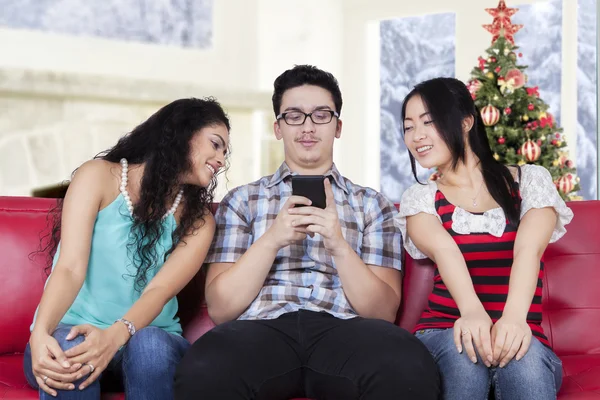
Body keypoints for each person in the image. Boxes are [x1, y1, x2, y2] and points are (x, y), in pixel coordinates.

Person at [174, 65, 439, 400]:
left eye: (321, 115)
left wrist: (338, 244)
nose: (308, 127)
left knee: (407, 366)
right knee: (203, 369)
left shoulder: (373, 205)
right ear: (278, 128)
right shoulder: (242, 200)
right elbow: (222, 309)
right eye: (294, 116)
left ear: (338, 126)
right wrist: (272, 239)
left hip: (347, 332)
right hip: (259, 331)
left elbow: (382, 313)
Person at [24, 97, 231, 399]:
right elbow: (69, 268)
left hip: (144, 344)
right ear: (182, 132)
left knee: (149, 345)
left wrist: (112, 338)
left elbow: (158, 291)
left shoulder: (199, 221)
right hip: (72, 333)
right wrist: (39, 334)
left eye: (225, 151)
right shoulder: (96, 176)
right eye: (216, 144)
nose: (221, 159)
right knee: (69, 348)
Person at [396, 77, 573, 400]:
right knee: (465, 359)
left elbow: (528, 252)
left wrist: (514, 320)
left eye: (428, 122)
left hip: (520, 328)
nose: (416, 136)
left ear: (466, 122)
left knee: (525, 367)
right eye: (408, 127)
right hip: (444, 330)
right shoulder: (420, 198)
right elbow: (445, 252)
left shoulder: (530, 183)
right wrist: (473, 314)